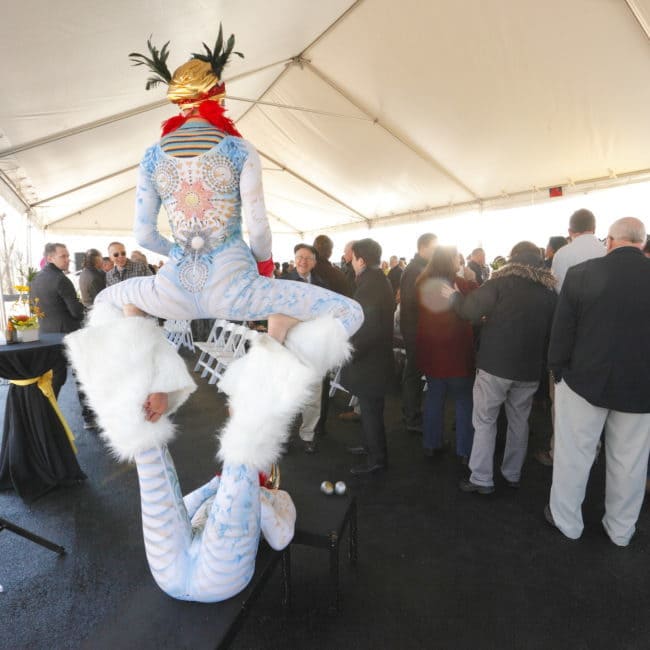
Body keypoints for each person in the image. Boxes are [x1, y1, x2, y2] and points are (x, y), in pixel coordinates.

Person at [66, 29, 363, 604]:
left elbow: (143, 233)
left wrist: (178, 254)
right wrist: (262, 271)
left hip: (176, 283)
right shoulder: (238, 149)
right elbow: (257, 228)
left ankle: (148, 382)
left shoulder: (154, 155)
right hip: (235, 285)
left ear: (174, 103)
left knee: (112, 306)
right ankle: (273, 355)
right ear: (218, 97)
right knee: (342, 312)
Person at [545, 218, 650, 546]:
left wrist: (557, 371)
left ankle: (567, 522)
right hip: (641, 386)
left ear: (610, 241)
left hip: (583, 381)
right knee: (630, 461)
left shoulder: (582, 274)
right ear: (642, 242)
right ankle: (621, 530)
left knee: (574, 454)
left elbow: (562, 332)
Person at [451, 242, 557, 494]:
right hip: (530, 369)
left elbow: (468, 311)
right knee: (519, 421)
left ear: (513, 259)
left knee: (486, 420)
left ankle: (481, 478)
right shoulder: (550, 292)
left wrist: (455, 295)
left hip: (494, 366)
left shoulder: (499, 283)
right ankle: (512, 474)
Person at [536, 209, 606, 467]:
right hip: (599, 338)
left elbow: (556, 292)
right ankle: (594, 447)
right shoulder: (605, 251)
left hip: (568, 335)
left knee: (562, 399)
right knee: (595, 397)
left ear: (570, 231)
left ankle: (559, 451)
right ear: (594, 227)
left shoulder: (563, 254)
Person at [416, 246, 477, 461]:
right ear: (451, 260)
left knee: (434, 398)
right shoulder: (459, 284)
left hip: (432, 352)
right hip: (457, 353)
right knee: (464, 402)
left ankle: (431, 444)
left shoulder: (422, 284)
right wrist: (472, 279)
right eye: (457, 258)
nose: (459, 261)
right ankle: (465, 450)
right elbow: (475, 309)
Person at [341, 238, 395, 475]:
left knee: (371, 411)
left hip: (370, 361)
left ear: (360, 260)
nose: (351, 262)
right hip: (375, 358)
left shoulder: (371, 283)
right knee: (369, 409)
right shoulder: (375, 279)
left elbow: (368, 327)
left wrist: (349, 351)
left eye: (352, 258)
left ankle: (377, 458)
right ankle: (370, 446)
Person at [30, 243, 85, 396]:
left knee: (54, 376)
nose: (67, 259)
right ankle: (87, 414)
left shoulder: (35, 278)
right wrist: (82, 307)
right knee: (77, 373)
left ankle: (47, 408)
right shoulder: (61, 280)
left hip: (44, 334)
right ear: (50, 258)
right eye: (63, 256)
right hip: (66, 335)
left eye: (68, 256)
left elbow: (32, 309)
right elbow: (76, 313)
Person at [398, 233, 438, 433]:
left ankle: (413, 414)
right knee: (413, 373)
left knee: (414, 372)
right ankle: (411, 417)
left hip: (418, 328)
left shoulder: (420, 268)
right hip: (416, 329)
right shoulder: (415, 270)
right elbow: (413, 301)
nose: (436, 251)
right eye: (433, 247)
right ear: (422, 247)